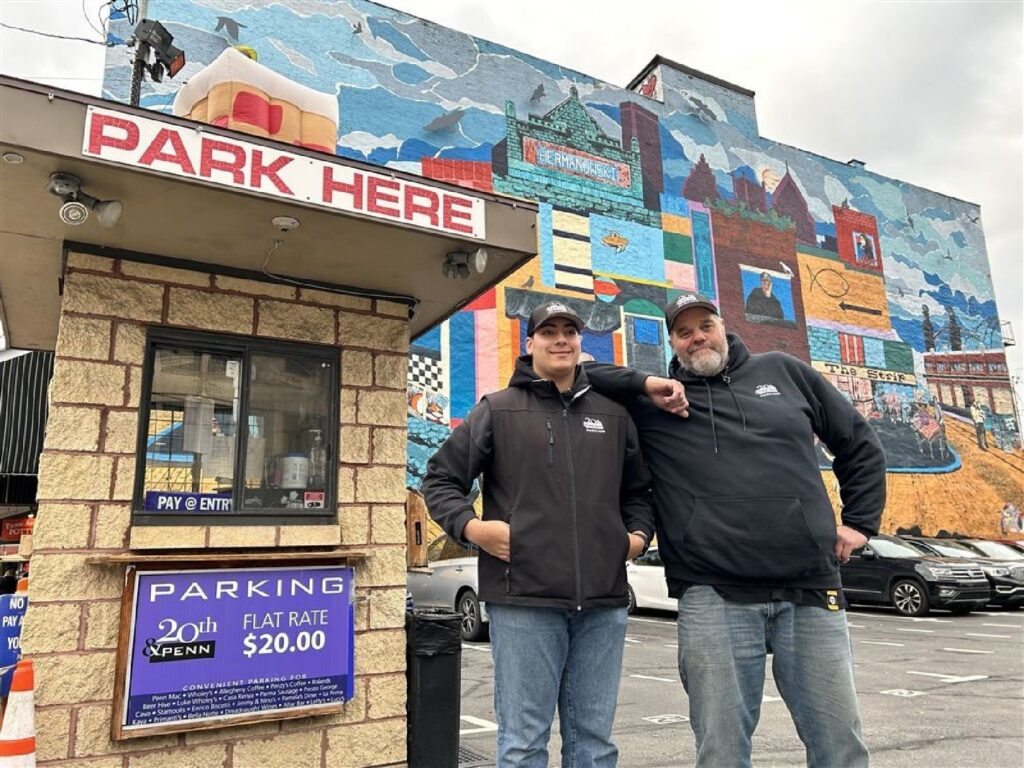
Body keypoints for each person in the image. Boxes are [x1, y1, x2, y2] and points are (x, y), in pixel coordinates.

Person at [585, 291, 886, 768]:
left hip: (809, 587)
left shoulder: (784, 371)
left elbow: (859, 444)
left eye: (705, 325)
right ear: (673, 343)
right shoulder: (654, 403)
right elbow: (572, 373)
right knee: (721, 751)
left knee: (841, 746)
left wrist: (859, 524)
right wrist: (646, 382)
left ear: (724, 326)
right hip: (712, 593)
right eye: (683, 332)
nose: (697, 337)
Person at [422, 300, 655, 768]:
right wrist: (473, 528)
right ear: (530, 345)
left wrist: (636, 539)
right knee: (524, 741)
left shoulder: (612, 415)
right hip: (523, 600)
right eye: (549, 332)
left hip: (603, 603)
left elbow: (640, 492)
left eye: (570, 331)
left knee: (594, 743)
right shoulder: (499, 409)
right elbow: (440, 479)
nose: (562, 340)